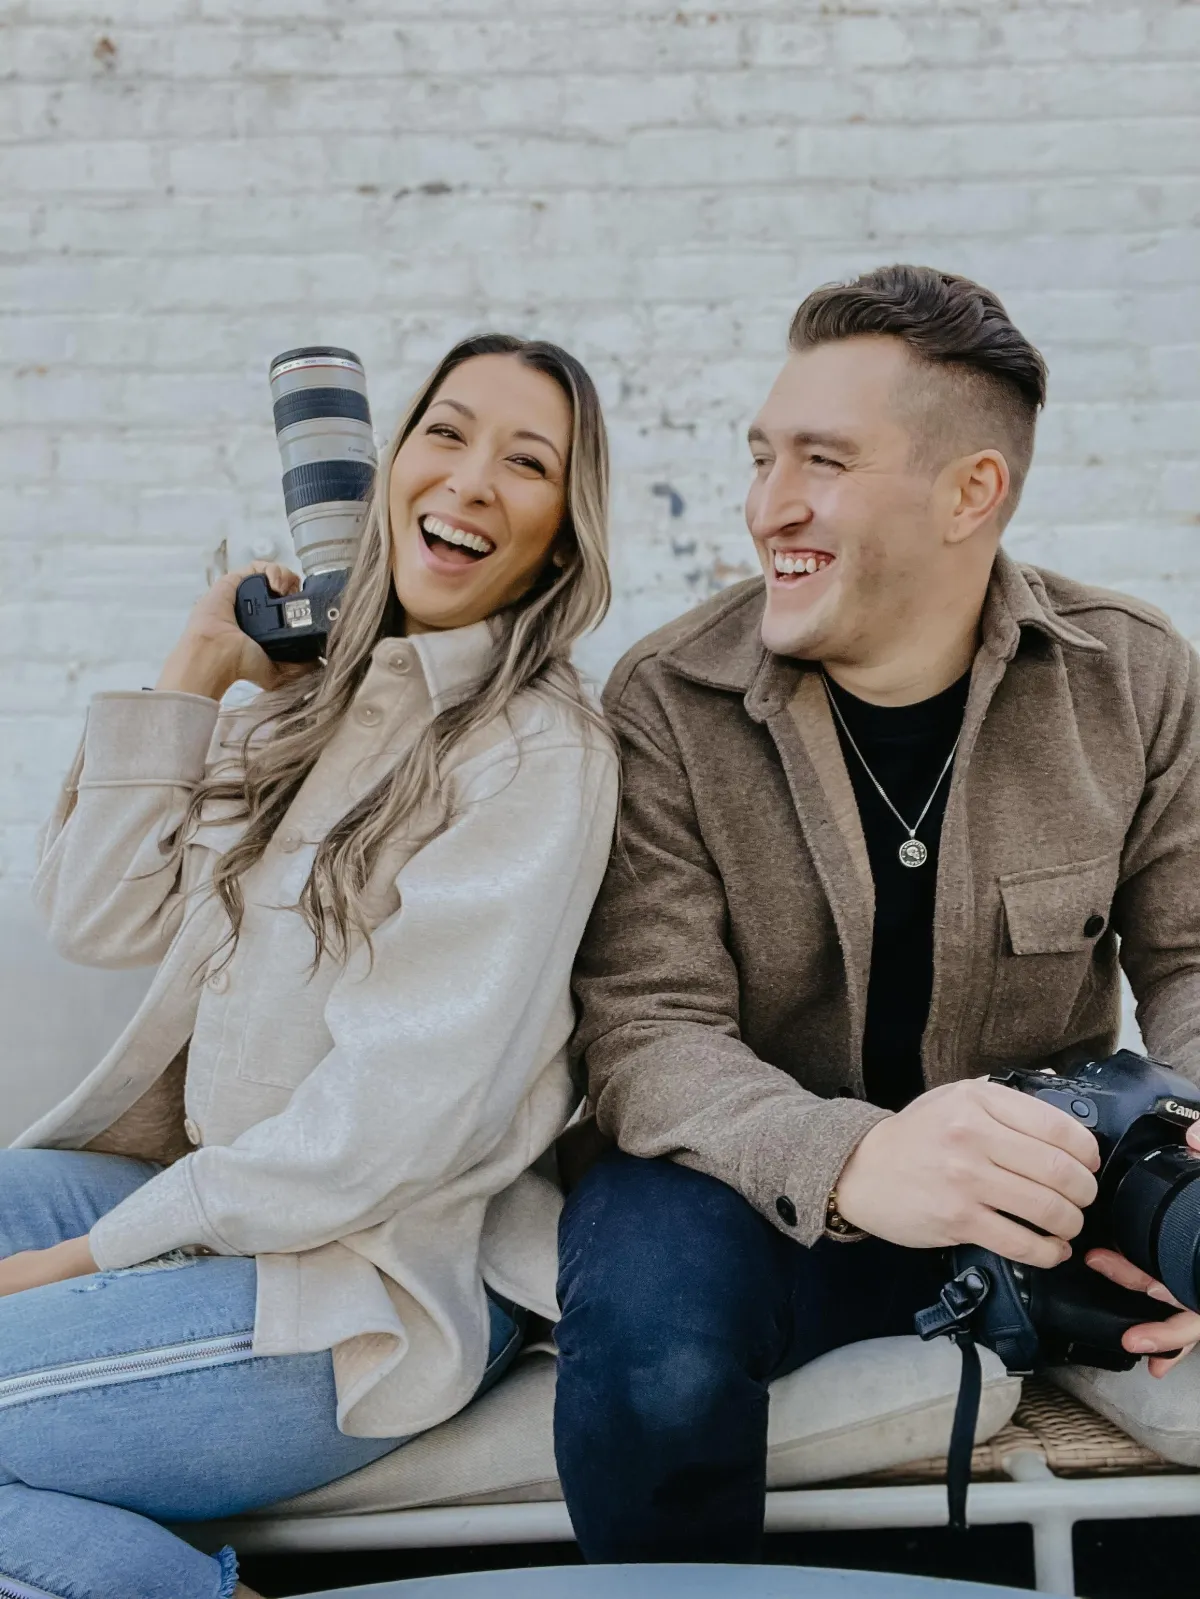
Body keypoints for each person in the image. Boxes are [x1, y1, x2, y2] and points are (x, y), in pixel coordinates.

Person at [555, 265, 1200, 1562]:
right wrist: (856, 1163)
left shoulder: (1133, 675)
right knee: (652, 1352)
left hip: (1038, 1188)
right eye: (763, 458)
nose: (768, 506)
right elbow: (646, 1032)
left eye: (825, 461)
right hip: (740, 1190)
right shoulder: (667, 700)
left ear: (971, 492)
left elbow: (1189, 960)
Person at [0, 334, 619, 1599]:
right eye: (445, 433)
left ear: (562, 540)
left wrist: (68, 1267)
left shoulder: (537, 755)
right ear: (391, 469)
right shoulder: (307, 706)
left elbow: (390, 1124)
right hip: (210, 1209)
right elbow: (95, 917)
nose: (470, 480)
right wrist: (198, 671)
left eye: (527, 462)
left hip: (373, 1279)